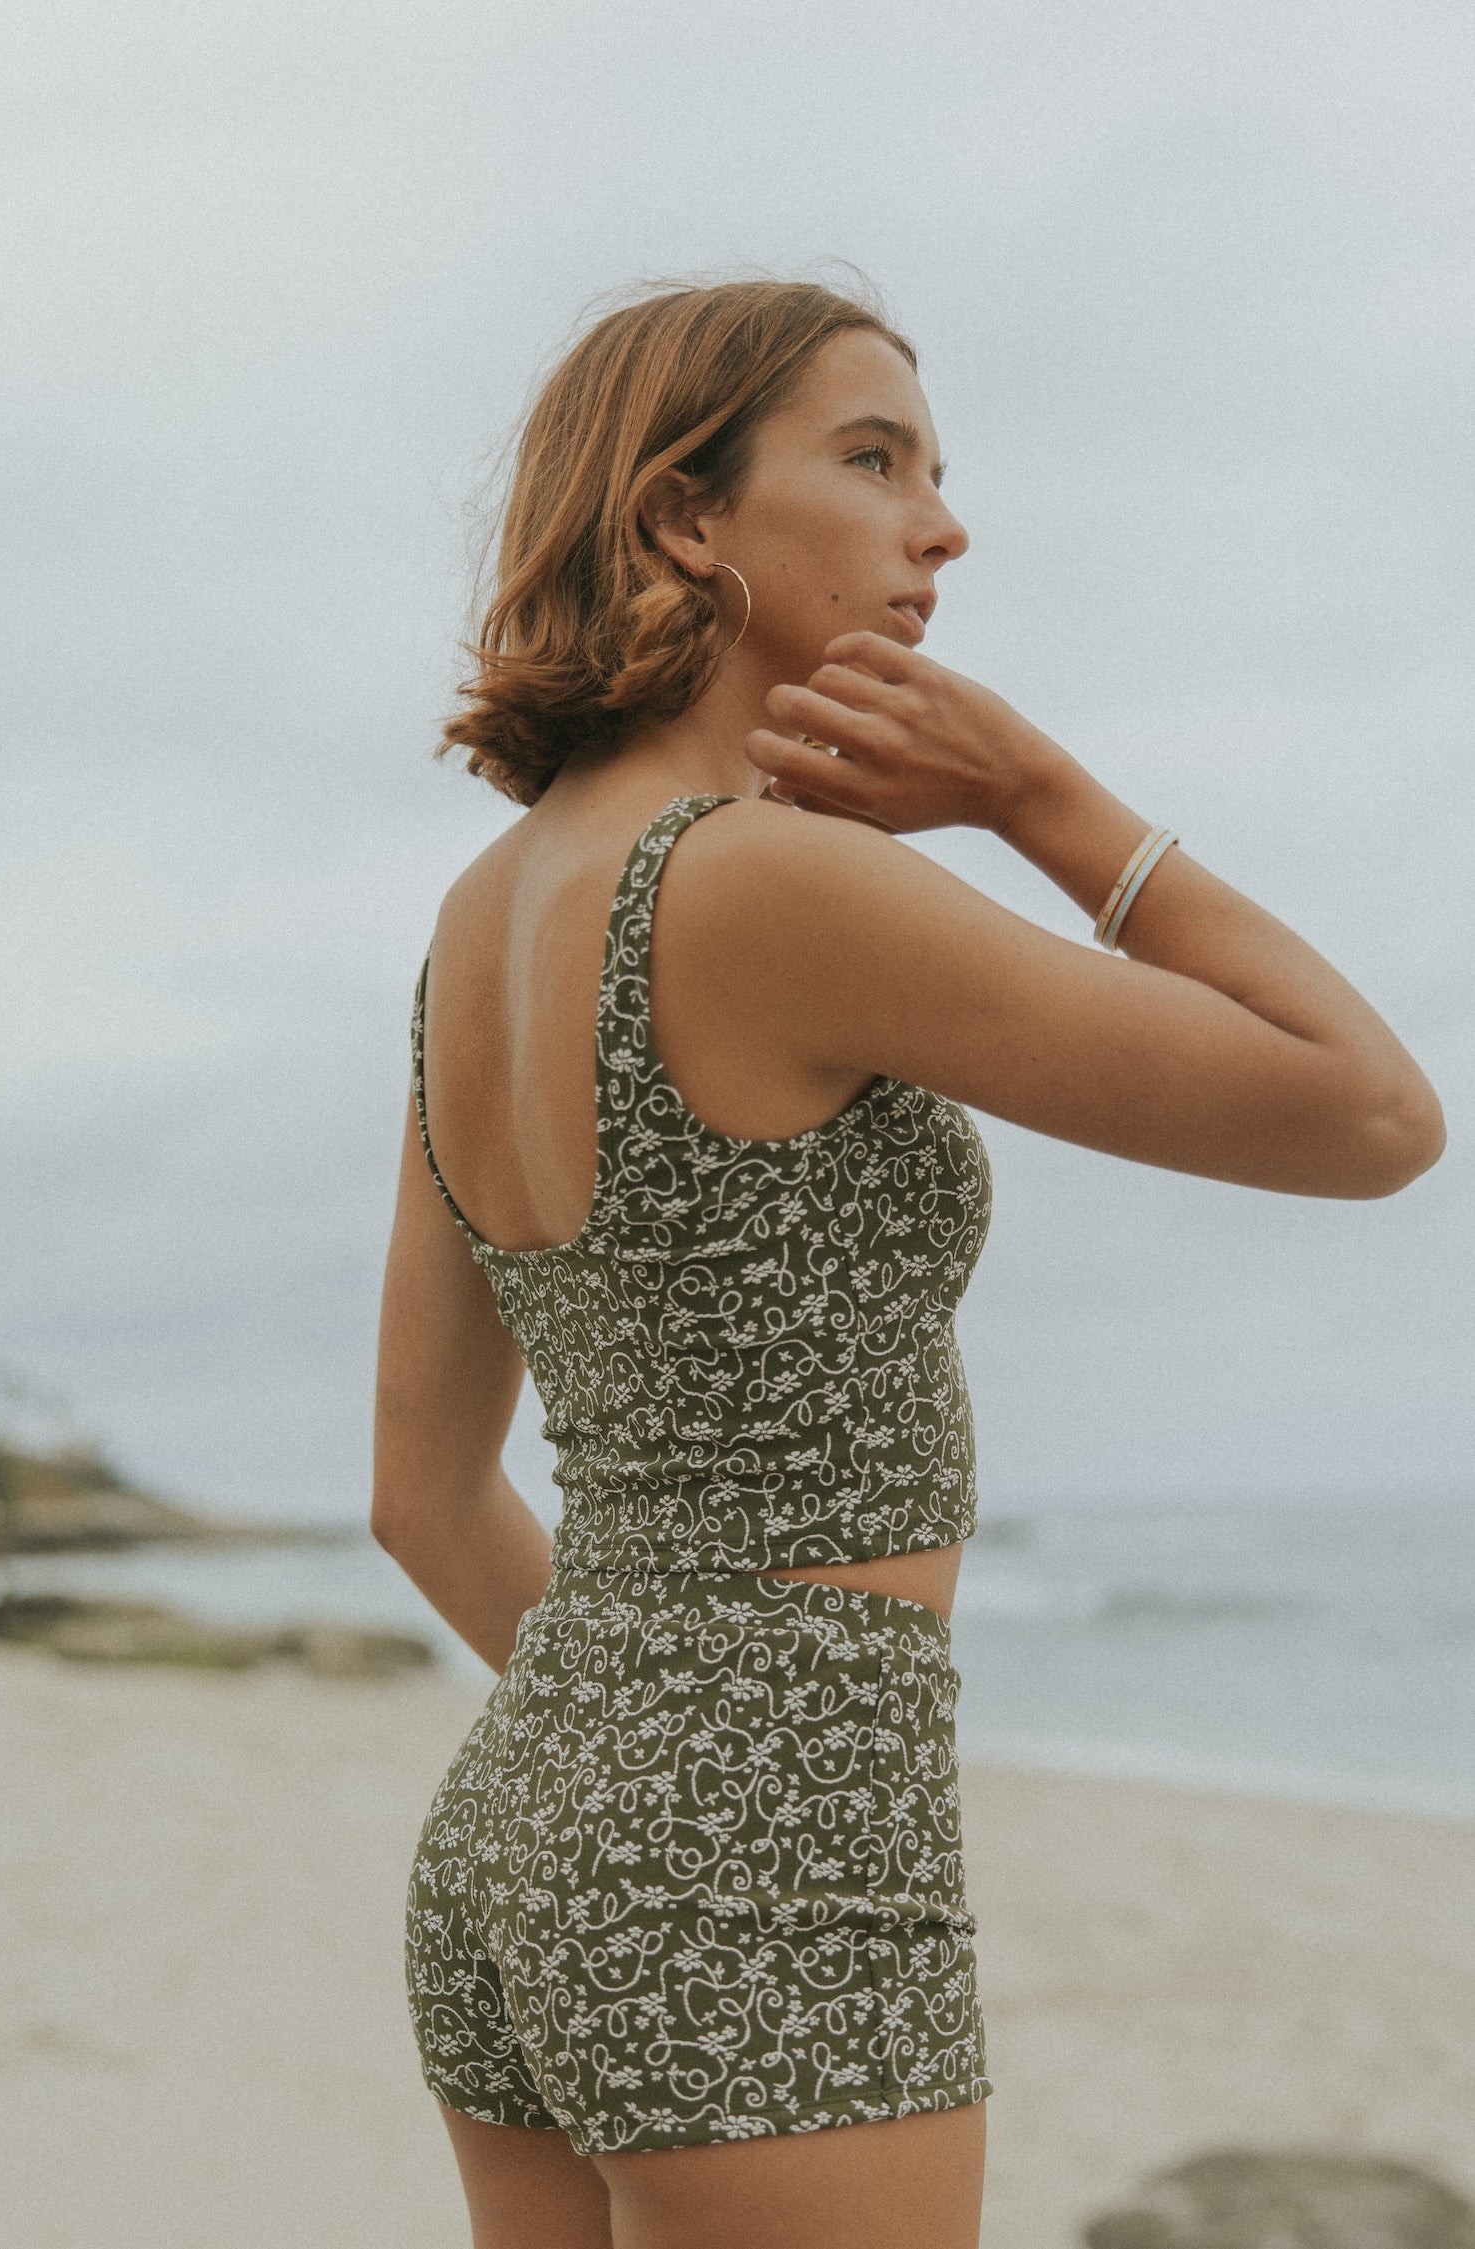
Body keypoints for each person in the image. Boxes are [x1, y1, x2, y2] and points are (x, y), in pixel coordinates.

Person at [371, 278, 1444, 2249]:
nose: (938, 528)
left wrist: (635, 1760)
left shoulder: (476, 918)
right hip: (754, 1846)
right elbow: (1371, 1116)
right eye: (872, 463)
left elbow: (420, 1500)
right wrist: (1043, 800)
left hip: (521, 1832)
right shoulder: (772, 878)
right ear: (684, 516)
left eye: (939, 476)